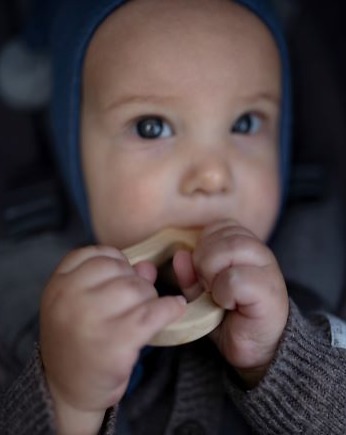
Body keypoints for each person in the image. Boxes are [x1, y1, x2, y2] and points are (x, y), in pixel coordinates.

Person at [1, 0, 346, 434]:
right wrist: (67, 399)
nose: (212, 175)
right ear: (75, 156)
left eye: (244, 123)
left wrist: (282, 359)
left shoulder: (325, 278)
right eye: (151, 127)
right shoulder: (23, 316)